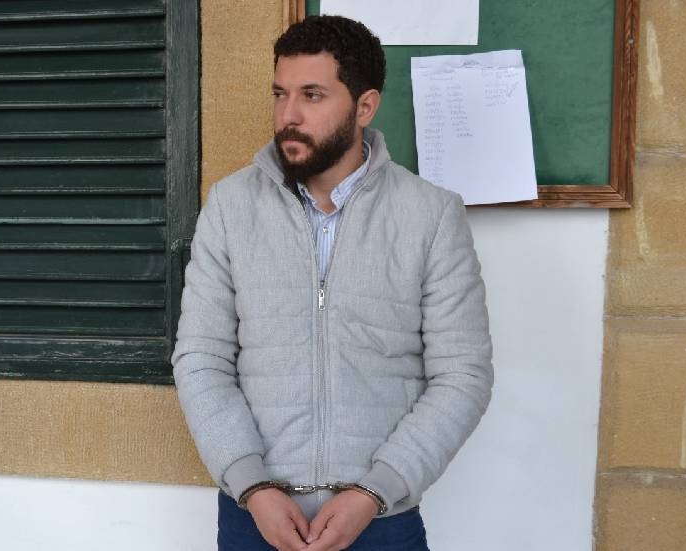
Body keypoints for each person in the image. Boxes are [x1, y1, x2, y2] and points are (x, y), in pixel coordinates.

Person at [172, 15, 493, 551]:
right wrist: (252, 486)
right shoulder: (230, 206)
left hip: (381, 520)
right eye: (280, 94)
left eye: (312, 95)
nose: (288, 115)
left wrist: (374, 491)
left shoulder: (431, 215)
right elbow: (201, 359)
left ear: (364, 107)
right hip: (255, 517)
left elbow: (463, 374)